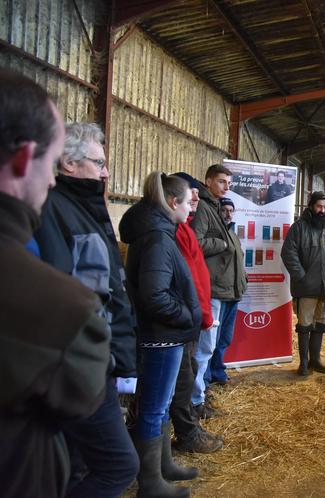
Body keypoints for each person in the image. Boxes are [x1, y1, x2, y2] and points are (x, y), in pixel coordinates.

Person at [0, 69, 110, 497]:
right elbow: (82, 390)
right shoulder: (61, 309)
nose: (50, 180)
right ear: (26, 160)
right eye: (49, 165)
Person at [33, 122, 139, 497]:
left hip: (96, 360)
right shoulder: (53, 211)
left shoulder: (84, 208)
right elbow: (70, 294)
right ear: (69, 164)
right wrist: (103, 355)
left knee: (77, 464)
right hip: (83, 365)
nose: (106, 171)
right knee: (119, 465)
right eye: (99, 163)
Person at [120, 172, 203, 498]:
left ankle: (163, 465)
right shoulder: (157, 238)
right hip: (161, 336)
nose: (191, 206)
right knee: (154, 407)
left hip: (165, 335)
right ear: (172, 202)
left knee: (162, 403)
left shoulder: (159, 233)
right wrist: (186, 316)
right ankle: (151, 483)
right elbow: (154, 295)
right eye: (188, 200)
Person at [168, 172, 223, 454]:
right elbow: (185, 278)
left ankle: (188, 428)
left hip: (191, 314)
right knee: (182, 377)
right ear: (173, 198)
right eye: (193, 192)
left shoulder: (184, 227)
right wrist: (197, 313)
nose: (197, 197)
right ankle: (187, 433)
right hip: (181, 317)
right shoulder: (173, 232)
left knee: (186, 372)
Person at [190, 164, 246, 418]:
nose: (227, 187)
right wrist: (222, 243)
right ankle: (195, 400)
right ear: (208, 181)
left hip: (223, 289)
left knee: (211, 346)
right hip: (212, 288)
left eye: (229, 183)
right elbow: (197, 242)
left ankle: (200, 393)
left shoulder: (214, 207)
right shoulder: (203, 207)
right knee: (205, 347)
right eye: (222, 181)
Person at [281, 191, 325, 375]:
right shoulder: (299, 227)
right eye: (319, 206)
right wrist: (301, 276)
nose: (322, 210)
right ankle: (303, 362)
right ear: (311, 206)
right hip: (306, 287)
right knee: (305, 324)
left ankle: (315, 360)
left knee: (321, 323)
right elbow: (288, 253)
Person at [207, 196, 246, 384]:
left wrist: (242, 282)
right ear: (218, 212)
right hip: (219, 292)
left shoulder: (232, 234)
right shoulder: (214, 233)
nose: (228, 214)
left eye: (231, 211)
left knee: (225, 338)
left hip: (233, 293)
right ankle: (207, 377)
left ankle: (217, 371)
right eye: (224, 210)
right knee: (212, 340)